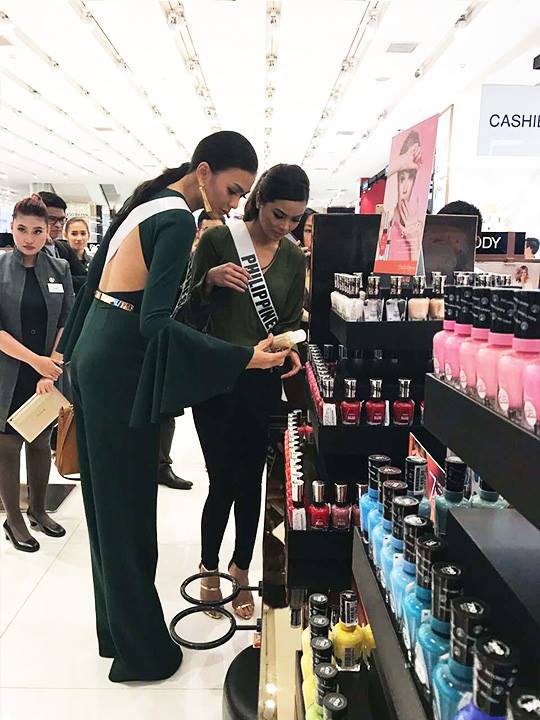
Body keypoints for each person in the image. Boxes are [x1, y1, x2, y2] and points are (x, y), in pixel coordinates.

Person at [57, 131, 289, 684]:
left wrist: (68, 361)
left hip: (98, 358)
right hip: (118, 368)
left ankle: (119, 633)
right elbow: (156, 323)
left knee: (110, 510)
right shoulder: (178, 218)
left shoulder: (147, 204)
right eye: (233, 190)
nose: (235, 203)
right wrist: (242, 358)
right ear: (204, 171)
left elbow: (93, 293)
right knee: (128, 513)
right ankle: (142, 652)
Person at [188, 163, 308, 620]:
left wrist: (289, 346)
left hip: (261, 382)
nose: (285, 226)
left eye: (295, 218)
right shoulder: (219, 241)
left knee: (252, 480)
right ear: (259, 201)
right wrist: (209, 281)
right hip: (216, 378)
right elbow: (183, 309)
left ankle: (240, 568)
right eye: (279, 214)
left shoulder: (293, 258)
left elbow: (290, 321)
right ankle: (208, 567)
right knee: (222, 480)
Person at [0, 194, 74, 552]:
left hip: (47, 373)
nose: (29, 238)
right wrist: (36, 362)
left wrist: (52, 366)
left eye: (37, 231)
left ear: (49, 231)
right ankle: (13, 518)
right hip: (9, 371)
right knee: (8, 445)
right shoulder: (1, 268)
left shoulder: (59, 269)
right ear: (12, 228)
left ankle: (39, 510)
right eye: (22, 229)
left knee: (41, 441)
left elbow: (67, 321)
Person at [157, 212, 226, 491]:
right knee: (164, 407)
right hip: (176, 340)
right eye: (208, 230)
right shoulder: (184, 261)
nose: (213, 238)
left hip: (214, 346)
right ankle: (160, 464)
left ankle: (166, 463)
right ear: (198, 232)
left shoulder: (231, 264)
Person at [38, 191, 87, 292]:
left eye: (61, 220)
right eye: (52, 219)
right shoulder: (30, 251)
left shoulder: (63, 248)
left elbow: (85, 280)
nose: (58, 225)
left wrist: (60, 279)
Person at [385, 130, 423, 262]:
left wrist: (413, 242)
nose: (406, 189)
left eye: (410, 178)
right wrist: (400, 163)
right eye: (402, 179)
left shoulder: (418, 227)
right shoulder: (387, 222)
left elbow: (418, 272)